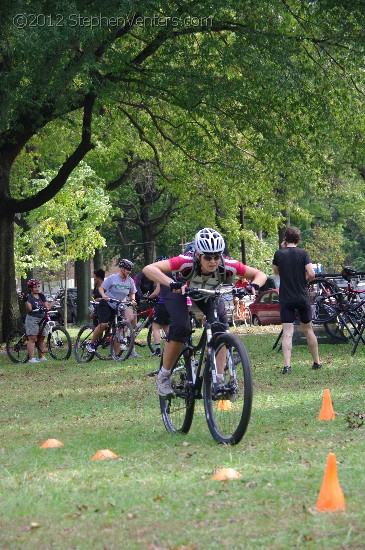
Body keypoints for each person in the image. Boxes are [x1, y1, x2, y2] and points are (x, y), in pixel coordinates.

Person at [143, 227, 267, 397]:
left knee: (221, 325)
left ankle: (219, 379)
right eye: (208, 257)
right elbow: (149, 269)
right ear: (198, 255)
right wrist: (171, 283)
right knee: (181, 327)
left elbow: (260, 274)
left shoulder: (228, 264)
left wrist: (253, 285)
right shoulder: (185, 261)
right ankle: (164, 376)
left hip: (206, 292)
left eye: (217, 256)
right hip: (178, 289)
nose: (213, 261)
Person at [272, 226, 322, 374]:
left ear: (285, 239)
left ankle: (287, 366)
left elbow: (276, 271)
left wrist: (283, 249)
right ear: (298, 239)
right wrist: (304, 281)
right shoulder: (303, 254)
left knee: (288, 333)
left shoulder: (279, 254)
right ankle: (317, 362)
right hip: (302, 296)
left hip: (286, 298)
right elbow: (312, 273)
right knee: (308, 330)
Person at [86, 259, 139, 357]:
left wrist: (132, 300)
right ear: (122, 269)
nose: (129, 271)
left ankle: (116, 355)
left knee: (118, 329)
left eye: (130, 270)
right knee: (104, 324)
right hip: (107, 304)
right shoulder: (113, 278)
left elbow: (132, 293)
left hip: (119, 305)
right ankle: (91, 344)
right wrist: (103, 295)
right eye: (127, 269)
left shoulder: (130, 281)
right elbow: (101, 288)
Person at [23, 279, 57, 363]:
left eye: (38, 287)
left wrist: (55, 300)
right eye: (35, 287)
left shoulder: (41, 296)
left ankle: (40, 357)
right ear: (31, 288)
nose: (37, 289)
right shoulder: (29, 297)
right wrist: (25, 301)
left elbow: (47, 307)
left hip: (42, 318)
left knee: (41, 337)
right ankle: (31, 359)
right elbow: (29, 309)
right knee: (33, 338)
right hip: (32, 318)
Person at [148, 256, 172, 358]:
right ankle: (171, 348)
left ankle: (157, 350)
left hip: (162, 304)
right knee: (166, 327)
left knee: (155, 326)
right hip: (170, 304)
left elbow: (157, 292)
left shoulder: (161, 276)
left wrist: (148, 297)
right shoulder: (172, 275)